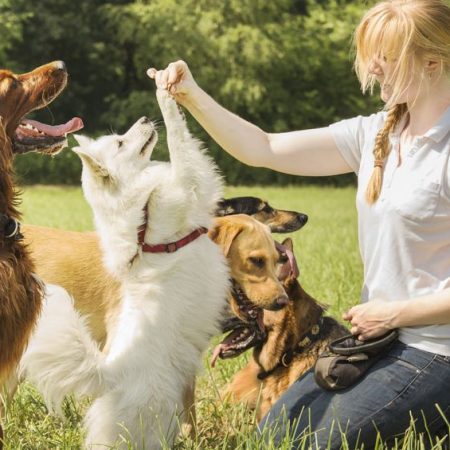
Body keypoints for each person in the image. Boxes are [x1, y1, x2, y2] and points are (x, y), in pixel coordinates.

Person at [148, 0, 450, 447]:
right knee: (276, 433)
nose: (372, 68)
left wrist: (395, 312)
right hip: (379, 340)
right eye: (370, 55)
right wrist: (191, 93)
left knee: (315, 443)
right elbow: (264, 147)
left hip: (435, 350)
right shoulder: (373, 134)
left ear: (433, 60)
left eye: (385, 57)